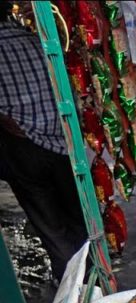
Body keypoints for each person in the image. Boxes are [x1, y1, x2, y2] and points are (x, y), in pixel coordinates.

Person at [0, 3, 89, 282]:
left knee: (51, 228)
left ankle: (72, 288)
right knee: (78, 218)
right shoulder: (38, 42)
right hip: (61, 139)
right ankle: (92, 279)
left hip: (22, 145)